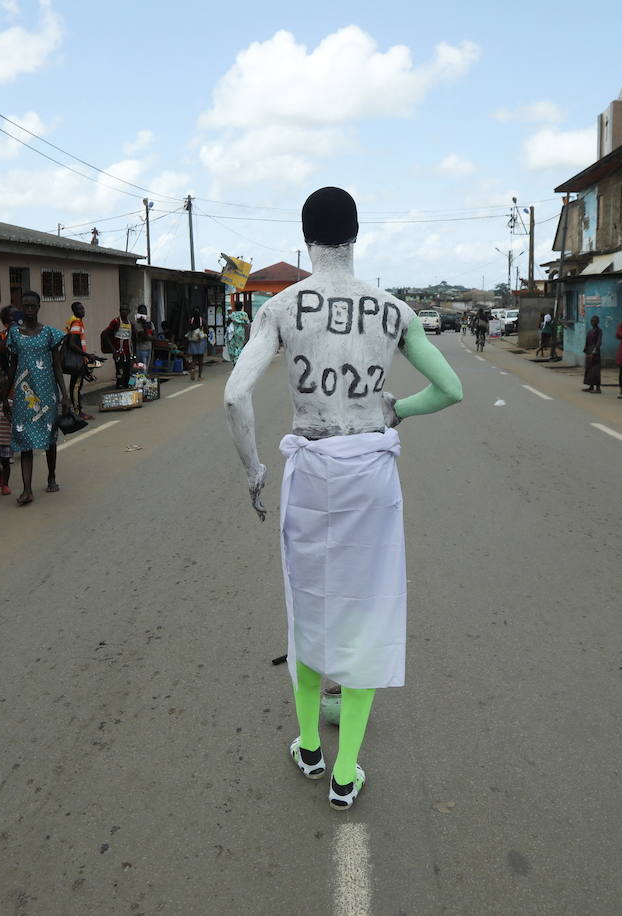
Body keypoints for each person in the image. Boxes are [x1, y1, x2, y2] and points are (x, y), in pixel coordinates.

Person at [223, 187, 464, 810]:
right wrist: (397, 410)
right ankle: (345, 773)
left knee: (307, 608)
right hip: (370, 475)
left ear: (307, 239)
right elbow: (450, 389)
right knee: (368, 613)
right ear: (357, 236)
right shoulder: (394, 311)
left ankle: (308, 747)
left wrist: (254, 471)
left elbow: (235, 395)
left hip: (309, 471)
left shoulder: (282, 307)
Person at [6, 290, 71, 505]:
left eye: (32, 306)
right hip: (24, 394)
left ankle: (51, 476)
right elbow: (12, 366)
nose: (29, 309)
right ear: (21, 308)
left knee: (49, 437)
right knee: (24, 439)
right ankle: (27, 490)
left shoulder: (50, 333)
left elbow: (57, 366)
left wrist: (65, 394)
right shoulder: (14, 334)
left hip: (47, 393)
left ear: (38, 307)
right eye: (25, 306)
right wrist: (6, 395)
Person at [100, 304, 136, 390]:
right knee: (120, 374)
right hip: (119, 354)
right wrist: (113, 350)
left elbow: (134, 340)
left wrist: (134, 354)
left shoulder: (131, 324)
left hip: (129, 353)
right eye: (121, 310)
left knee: (129, 373)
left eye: (125, 310)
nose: (123, 312)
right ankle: (119, 389)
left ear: (129, 311)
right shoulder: (115, 322)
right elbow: (106, 335)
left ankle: (129, 388)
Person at [581, 315, 602, 394]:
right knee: (589, 369)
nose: (592, 322)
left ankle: (598, 388)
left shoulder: (599, 331)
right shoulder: (590, 331)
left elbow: (599, 341)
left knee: (595, 370)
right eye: (592, 321)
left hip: (595, 351)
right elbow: (587, 342)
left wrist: (595, 350)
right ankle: (591, 386)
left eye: (594, 321)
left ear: (597, 322)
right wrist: (586, 351)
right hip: (589, 350)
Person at [134, 305, 156, 374]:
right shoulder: (137, 325)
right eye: (141, 312)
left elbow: (154, 336)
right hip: (141, 349)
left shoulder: (150, 323)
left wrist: (149, 337)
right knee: (142, 370)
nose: (143, 314)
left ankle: (143, 379)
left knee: (146, 369)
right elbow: (142, 337)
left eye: (145, 312)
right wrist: (144, 325)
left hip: (149, 348)